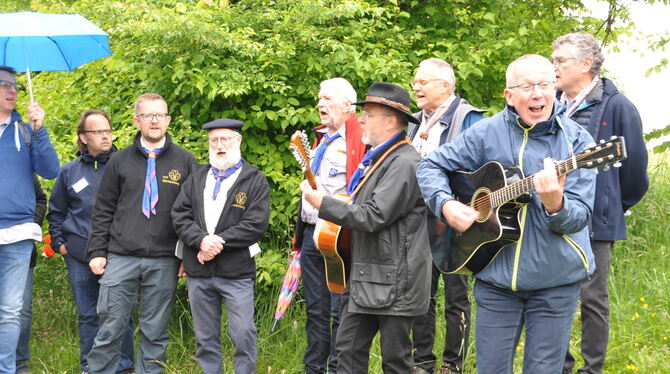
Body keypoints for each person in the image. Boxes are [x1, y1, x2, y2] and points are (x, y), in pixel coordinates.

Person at [416, 55, 597, 373]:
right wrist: (445, 204)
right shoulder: (486, 133)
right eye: (527, 86)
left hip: (555, 280)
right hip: (494, 276)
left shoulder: (578, 144)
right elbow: (431, 165)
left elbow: (579, 216)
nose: (537, 94)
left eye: (544, 84)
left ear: (555, 87)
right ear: (509, 95)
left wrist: (556, 204)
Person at [301, 82, 432, 374]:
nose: (360, 120)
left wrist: (323, 204)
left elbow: (373, 216)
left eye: (368, 114)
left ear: (389, 121)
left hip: (398, 281)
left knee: (395, 362)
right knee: (346, 353)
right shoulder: (379, 157)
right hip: (366, 275)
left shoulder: (405, 162)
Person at [551, 33, 650, 374]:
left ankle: (592, 369)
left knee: (591, 299)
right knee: (552, 293)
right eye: (554, 60)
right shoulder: (549, 103)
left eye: (561, 60)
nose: (555, 67)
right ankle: (559, 366)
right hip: (549, 215)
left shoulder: (617, 106)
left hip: (596, 219)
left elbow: (636, 170)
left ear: (585, 64)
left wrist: (611, 205)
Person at [86, 93, 196, 374]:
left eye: (160, 114)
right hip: (121, 257)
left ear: (169, 120)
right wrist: (97, 251)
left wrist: (188, 255)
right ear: (137, 121)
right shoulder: (119, 161)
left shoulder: (185, 162)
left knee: (155, 331)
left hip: (165, 259)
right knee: (110, 328)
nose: (155, 120)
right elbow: (103, 210)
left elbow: (194, 213)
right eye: (148, 115)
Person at [172, 118, 270, 374]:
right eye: (214, 140)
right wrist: (201, 240)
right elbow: (179, 215)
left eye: (225, 139)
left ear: (238, 141)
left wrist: (218, 243)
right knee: (205, 339)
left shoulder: (254, 180)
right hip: (199, 272)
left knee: (243, 334)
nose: (219, 145)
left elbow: (255, 223)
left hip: (236, 272)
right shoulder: (196, 177)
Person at [408, 57, 486, 374]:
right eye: (415, 81)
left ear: (445, 85)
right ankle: (421, 362)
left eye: (423, 81)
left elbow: (482, 172)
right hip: (418, 222)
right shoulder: (412, 121)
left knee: (456, 296)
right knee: (421, 295)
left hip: (459, 221)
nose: (416, 86)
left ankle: (452, 364)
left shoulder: (471, 120)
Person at [47, 110, 135, 374]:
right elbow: (57, 211)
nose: (105, 135)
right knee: (88, 314)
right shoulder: (69, 172)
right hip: (78, 255)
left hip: (117, 254)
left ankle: (123, 366)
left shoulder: (125, 166)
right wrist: (60, 245)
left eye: (108, 130)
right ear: (84, 138)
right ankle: (91, 366)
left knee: (120, 315)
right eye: (97, 131)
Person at [292, 77, 365, 374]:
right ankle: (313, 369)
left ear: (348, 105)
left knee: (340, 310)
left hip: (341, 237)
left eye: (328, 99)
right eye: (319, 99)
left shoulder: (360, 141)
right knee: (315, 310)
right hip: (312, 235)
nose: (320, 104)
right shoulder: (322, 138)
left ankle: (338, 369)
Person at [0, 65, 59, 373]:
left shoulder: (25, 129)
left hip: (17, 235)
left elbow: (50, 170)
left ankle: (7, 369)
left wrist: (39, 129)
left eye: (16, 86)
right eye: (5, 85)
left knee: (10, 311)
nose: (13, 91)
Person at [15, 176, 47, 374]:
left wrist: (28, 229)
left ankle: (19, 363)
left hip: (19, 251)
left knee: (21, 312)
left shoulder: (21, 166)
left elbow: (40, 199)